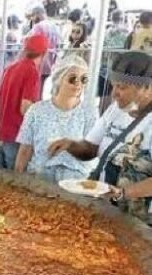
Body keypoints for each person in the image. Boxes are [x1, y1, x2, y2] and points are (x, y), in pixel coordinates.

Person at [49, 51, 152, 222]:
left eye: (122, 87)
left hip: (139, 219)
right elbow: (91, 149)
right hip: (106, 208)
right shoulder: (115, 110)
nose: (114, 94)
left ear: (147, 88)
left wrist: (123, 193)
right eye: (114, 86)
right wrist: (70, 145)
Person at [14, 56, 97, 182]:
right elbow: (25, 149)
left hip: (74, 179)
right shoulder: (37, 111)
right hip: (40, 176)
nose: (78, 84)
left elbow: (92, 150)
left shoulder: (89, 113)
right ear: (59, 79)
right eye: (73, 79)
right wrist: (16, 180)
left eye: (83, 79)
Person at [0, 34, 49, 170]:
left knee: (3, 176)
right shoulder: (32, 72)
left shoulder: (10, 68)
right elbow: (25, 108)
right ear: (44, 53)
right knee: (16, 177)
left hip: (4, 132)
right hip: (18, 134)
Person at [99, 10, 130, 112]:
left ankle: (102, 116)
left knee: (105, 97)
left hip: (105, 69)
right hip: (117, 70)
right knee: (114, 97)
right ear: (122, 19)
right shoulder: (125, 33)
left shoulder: (106, 32)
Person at [29, 6, 62, 91]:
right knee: (42, 87)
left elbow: (33, 43)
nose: (32, 18)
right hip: (50, 62)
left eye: (33, 15)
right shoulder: (55, 27)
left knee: (35, 88)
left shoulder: (38, 26)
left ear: (38, 14)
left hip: (38, 62)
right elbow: (58, 46)